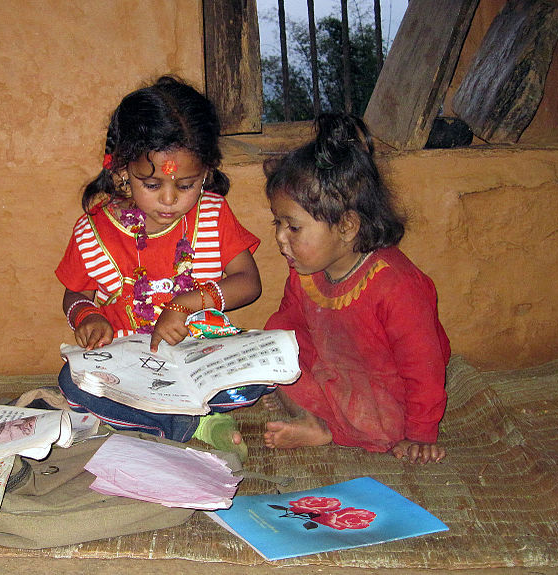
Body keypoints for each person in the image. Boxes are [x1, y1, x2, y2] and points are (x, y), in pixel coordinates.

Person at [55, 76, 270, 458]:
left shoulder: (213, 214)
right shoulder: (94, 231)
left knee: (257, 369)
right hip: (130, 362)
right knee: (72, 383)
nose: (170, 200)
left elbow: (249, 283)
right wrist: (87, 315)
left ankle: (168, 422)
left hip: (200, 354)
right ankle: (193, 422)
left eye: (186, 184)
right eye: (152, 185)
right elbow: (75, 294)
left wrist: (188, 302)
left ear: (205, 172)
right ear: (122, 171)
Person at [261, 113, 450, 464]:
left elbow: (423, 367)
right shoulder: (304, 272)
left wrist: (420, 435)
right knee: (274, 350)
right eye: (278, 223)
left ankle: (323, 426)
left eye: (294, 227)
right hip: (333, 370)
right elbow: (288, 324)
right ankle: (314, 421)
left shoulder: (396, 286)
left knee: (379, 421)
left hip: (379, 392)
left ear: (347, 226)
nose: (279, 238)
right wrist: (263, 355)